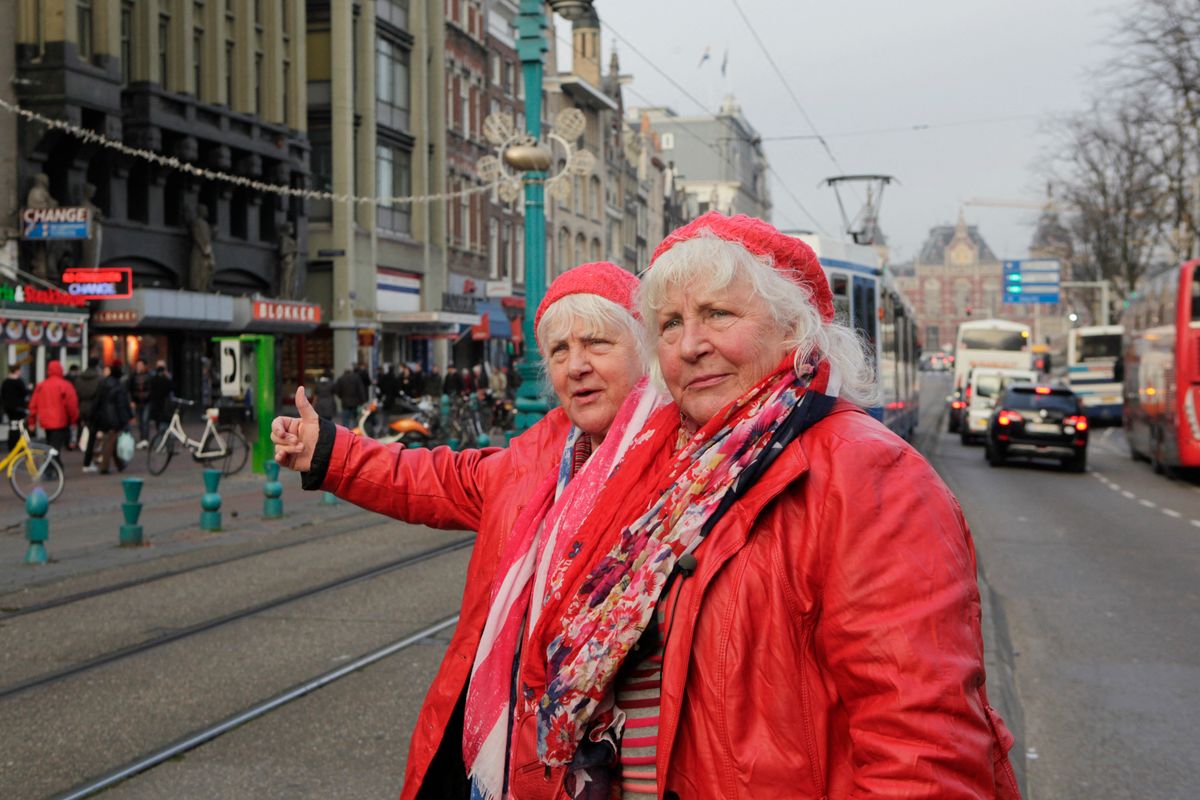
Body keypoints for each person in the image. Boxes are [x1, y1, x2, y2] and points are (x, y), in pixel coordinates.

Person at [502, 212, 1019, 798]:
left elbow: (922, 753)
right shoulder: (666, 469)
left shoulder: (869, 474)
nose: (691, 345)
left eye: (719, 314)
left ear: (795, 328)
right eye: (670, 325)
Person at [270, 262, 654, 800]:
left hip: (611, 759)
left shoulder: (681, 465)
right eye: (560, 352)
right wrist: (330, 452)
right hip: (499, 741)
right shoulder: (537, 456)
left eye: (597, 342)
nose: (577, 366)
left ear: (646, 352)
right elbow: (434, 478)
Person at [26, 360, 80, 466]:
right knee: (55, 447)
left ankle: (53, 468)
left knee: (51, 444)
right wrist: (74, 420)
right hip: (60, 420)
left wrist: (31, 422)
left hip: (46, 421)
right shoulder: (65, 385)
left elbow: (33, 405)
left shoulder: (42, 385)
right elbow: (72, 405)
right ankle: (52, 468)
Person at [92, 363, 133, 474]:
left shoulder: (103, 383)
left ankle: (119, 464)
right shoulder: (118, 387)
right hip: (113, 418)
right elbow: (121, 406)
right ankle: (104, 467)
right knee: (110, 441)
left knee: (112, 440)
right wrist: (126, 420)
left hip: (104, 416)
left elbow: (97, 401)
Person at [75, 358, 103, 471]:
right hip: (94, 409)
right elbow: (100, 396)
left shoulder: (79, 378)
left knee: (88, 433)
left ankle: (89, 457)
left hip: (83, 408)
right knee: (94, 436)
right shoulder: (99, 379)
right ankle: (88, 461)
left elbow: (77, 393)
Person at [2, 364, 29, 452]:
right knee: (19, 428)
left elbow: (2, 395)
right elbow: (24, 393)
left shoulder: (5, 382)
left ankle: (12, 446)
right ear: (16, 370)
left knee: (12, 427)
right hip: (18, 409)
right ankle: (18, 445)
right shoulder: (19, 382)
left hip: (9, 409)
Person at [147, 360, 174, 440]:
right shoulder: (154, 378)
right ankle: (162, 437)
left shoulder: (167, 377)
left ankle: (165, 436)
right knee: (159, 421)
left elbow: (171, 389)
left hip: (164, 403)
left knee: (165, 420)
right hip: (158, 403)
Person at [129, 359, 152, 448]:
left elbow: (151, 389)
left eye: (140, 365)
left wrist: (147, 396)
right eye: (138, 365)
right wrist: (132, 400)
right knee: (140, 421)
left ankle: (145, 439)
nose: (139, 367)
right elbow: (130, 388)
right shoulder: (133, 376)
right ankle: (142, 438)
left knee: (145, 420)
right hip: (137, 401)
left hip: (146, 402)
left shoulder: (148, 376)